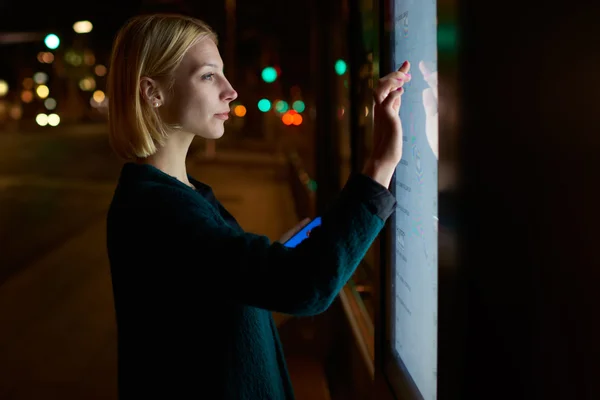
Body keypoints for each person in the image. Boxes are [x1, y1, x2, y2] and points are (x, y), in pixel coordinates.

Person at [106, 13, 411, 400]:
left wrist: (276, 261)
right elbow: (305, 286)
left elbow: (219, 285)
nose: (230, 90)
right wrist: (380, 165)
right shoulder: (157, 211)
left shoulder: (179, 194)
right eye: (207, 76)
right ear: (153, 93)